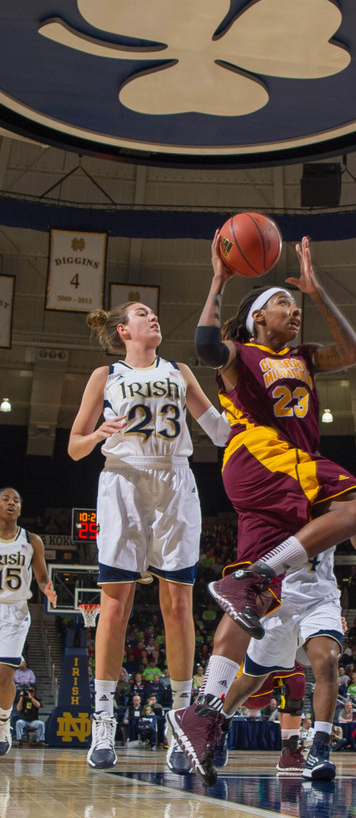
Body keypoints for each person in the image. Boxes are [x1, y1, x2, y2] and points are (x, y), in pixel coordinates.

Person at [168, 235, 356, 783]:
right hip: (264, 456)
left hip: (272, 479)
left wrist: (320, 290)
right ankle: (256, 577)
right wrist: (217, 281)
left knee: (247, 606)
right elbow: (208, 346)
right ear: (259, 318)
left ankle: (203, 713)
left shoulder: (304, 357)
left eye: (295, 303)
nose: (294, 309)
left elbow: (353, 353)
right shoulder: (245, 357)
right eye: (284, 302)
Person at [68, 302, 229, 774]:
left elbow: (218, 431)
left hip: (176, 482)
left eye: (156, 314)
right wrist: (99, 432)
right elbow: (75, 448)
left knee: (177, 605)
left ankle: (180, 720)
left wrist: (248, 413)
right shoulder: (105, 374)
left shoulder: (180, 370)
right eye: (143, 314)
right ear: (123, 329)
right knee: (114, 606)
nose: (154, 318)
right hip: (122, 480)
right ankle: (103, 718)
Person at [205, 531, 356, 784]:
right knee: (251, 681)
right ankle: (221, 726)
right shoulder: (276, 507)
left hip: (321, 600)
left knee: (327, 661)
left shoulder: (329, 503)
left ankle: (320, 749)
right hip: (277, 601)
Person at [0, 488, 56, 757]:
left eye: (16, 501)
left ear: (20, 509)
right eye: (6, 499)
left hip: (15, 612)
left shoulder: (31, 540)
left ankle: (2, 723)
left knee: (4, 675)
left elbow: (42, 576)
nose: (12, 503)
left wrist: (47, 588)